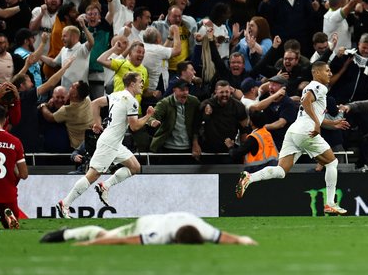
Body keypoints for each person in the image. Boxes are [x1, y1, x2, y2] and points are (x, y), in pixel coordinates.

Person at [235, 61, 349, 215]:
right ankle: (330, 203)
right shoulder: (318, 86)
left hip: (294, 131)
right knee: (332, 162)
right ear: (316, 73)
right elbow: (305, 101)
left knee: (281, 171)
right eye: (327, 70)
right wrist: (316, 124)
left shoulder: (313, 87)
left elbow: (310, 110)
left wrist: (331, 123)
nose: (329, 73)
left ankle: (250, 177)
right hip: (306, 131)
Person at [57, 72, 160, 218]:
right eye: (140, 82)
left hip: (114, 141)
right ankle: (65, 204)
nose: (142, 84)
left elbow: (95, 103)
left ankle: (105, 186)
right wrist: (149, 115)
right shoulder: (131, 100)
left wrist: (97, 123)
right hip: (110, 142)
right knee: (92, 175)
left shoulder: (116, 95)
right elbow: (134, 126)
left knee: (135, 167)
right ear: (132, 84)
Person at [40, 211, 257, 245]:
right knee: (103, 234)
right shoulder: (160, 234)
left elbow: (223, 237)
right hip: (144, 223)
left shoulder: (202, 228)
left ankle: (71, 232)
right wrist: (90, 244)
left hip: (162, 217)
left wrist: (241, 240)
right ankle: (66, 233)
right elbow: (124, 241)